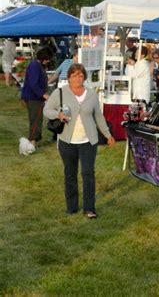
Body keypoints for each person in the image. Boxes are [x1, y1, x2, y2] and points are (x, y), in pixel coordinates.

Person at [43, 63, 115, 218]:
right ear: (68, 77)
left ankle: (89, 208)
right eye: (74, 75)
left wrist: (108, 135)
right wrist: (58, 115)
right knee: (70, 173)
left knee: (88, 173)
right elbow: (47, 110)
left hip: (88, 141)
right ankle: (72, 206)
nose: (78, 78)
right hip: (67, 141)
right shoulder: (59, 92)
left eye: (81, 75)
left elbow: (98, 117)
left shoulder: (91, 94)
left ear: (85, 78)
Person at [21, 47, 52, 147]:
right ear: (44, 58)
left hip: (37, 98)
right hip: (33, 98)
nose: (48, 61)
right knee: (35, 120)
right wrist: (43, 95)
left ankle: (34, 140)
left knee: (38, 119)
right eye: (47, 59)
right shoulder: (35, 66)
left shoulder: (38, 66)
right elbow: (33, 83)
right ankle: (32, 142)